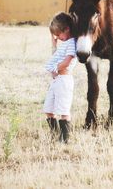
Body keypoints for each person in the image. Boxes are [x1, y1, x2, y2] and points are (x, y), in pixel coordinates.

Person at [43, 12, 77, 143]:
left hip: (63, 80)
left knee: (63, 110)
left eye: (58, 34)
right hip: (56, 80)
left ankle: (65, 138)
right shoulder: (64, 43)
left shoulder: (72, 43)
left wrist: (55, 69)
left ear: (67, 29)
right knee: (48, 109)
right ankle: (54, 133)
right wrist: (54, 44)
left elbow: (67, 62)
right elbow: (56, 56)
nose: (58, 37)